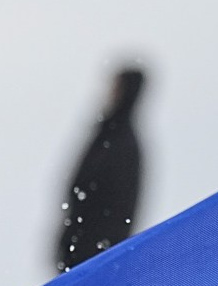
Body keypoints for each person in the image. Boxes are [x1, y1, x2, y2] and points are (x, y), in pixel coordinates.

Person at [53, 64, 148, 273]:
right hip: (80, 251)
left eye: (116, 87)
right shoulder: (107, 135)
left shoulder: (122, 144)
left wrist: (96, 250)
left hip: (96, 255)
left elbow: (118, 207)